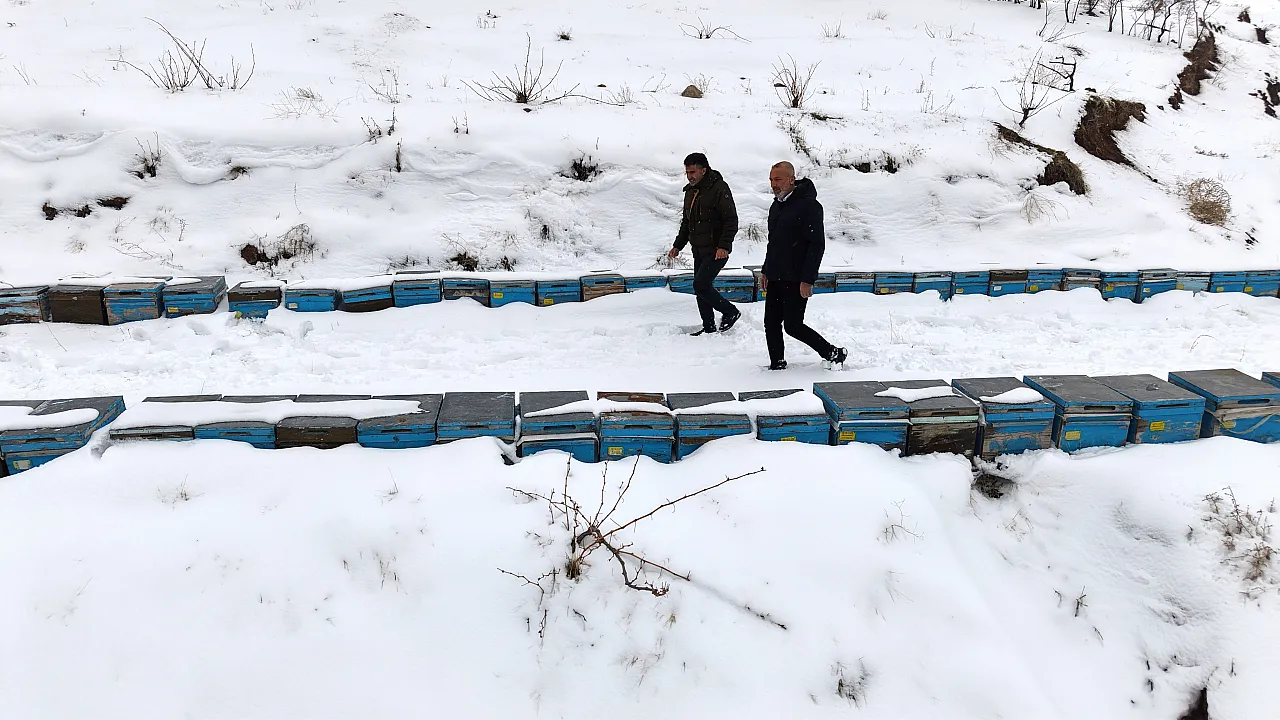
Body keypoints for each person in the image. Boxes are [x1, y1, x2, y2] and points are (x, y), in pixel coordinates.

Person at [758, 161, 848, 370]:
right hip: (776, 274)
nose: (773, 184)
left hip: (796, 276)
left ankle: (832, 353)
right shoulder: (776, 205)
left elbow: (816, 245)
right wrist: (765, 269)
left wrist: (807, 279)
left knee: (793, 325)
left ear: (791, 179)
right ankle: (777, 364)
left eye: (778, 179)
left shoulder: (809, 206)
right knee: (771, 323)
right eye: (771, 179)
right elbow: (773, 242)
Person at [668, 153, 742, 336]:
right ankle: (708, 326)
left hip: (716, 250)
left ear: (704, 170)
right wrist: (678, 245)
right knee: (700, 287)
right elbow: (687, 222)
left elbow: (731, 220)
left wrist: (724, 246)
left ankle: (730, 311)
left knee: (701, 285)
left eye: (693, 172)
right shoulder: (691, 192)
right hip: (698, 248)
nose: (689, 176)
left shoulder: (719, 188)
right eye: (687, 172)